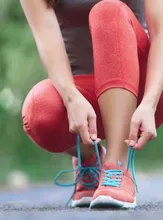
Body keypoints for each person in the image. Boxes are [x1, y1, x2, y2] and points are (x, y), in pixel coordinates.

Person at [19, 0, 163, 209]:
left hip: (142, 91)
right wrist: (71, 98)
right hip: (83, 94)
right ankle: (90, 156)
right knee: (40, 112)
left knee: (108, 11)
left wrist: (150, 101)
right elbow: (44, 35)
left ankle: (117, 166)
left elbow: (160, 34)